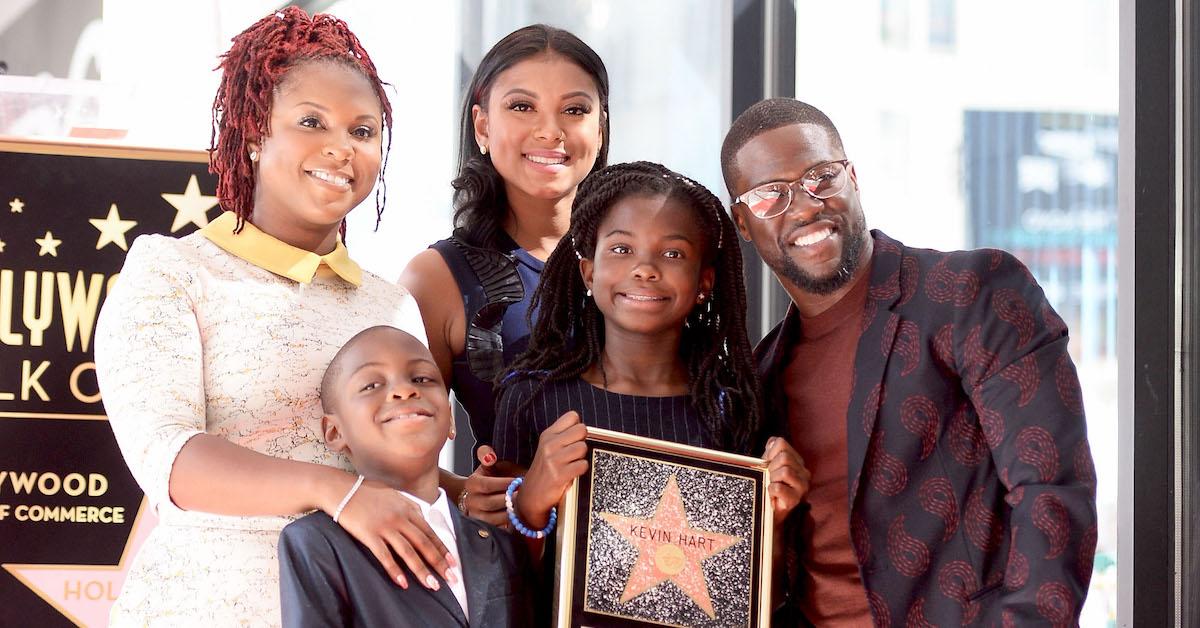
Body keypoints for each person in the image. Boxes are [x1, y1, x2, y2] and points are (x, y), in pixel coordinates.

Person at [94, 8, 454, 624]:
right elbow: (167, 458)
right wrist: (332, 491)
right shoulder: (173, 272)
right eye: (311, 122)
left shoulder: (388, 304)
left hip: (357, 608)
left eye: (363, 131)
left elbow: (394, 473)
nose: (341, 147)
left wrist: (464, 496)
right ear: (255, 132)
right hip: (203, 608)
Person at [719, 98, 1098, 626]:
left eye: (820, 177)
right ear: (743, 221)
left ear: (853, 177)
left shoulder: (969, 294)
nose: (804, 207)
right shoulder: (759, 375)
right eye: (769, 196)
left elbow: (1051, 491)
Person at [492, 161, 811, 617]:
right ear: (587, 272)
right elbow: (498, 585)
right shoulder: (533, 398)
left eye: (674, 254)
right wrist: (532, 500)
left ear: (705, 283)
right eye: (621, 249)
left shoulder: (734, 408)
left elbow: (762, 600)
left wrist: (773, 521)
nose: (644, 269)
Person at [399, 24, 610, 526]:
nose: (550, 130)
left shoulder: (643, 264)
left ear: (600, 130)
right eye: (522, 107)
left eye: (574, 110)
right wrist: (464, 494)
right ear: (482, 126)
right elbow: (393, 449)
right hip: (515, 573)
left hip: (661, 562)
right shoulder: (439, 278)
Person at [278, 326, 533, 628]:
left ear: (451, 419)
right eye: (371, 385)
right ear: (335, 432)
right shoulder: (316, 543)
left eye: (422, 379)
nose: (405, 390)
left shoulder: (502, 546)